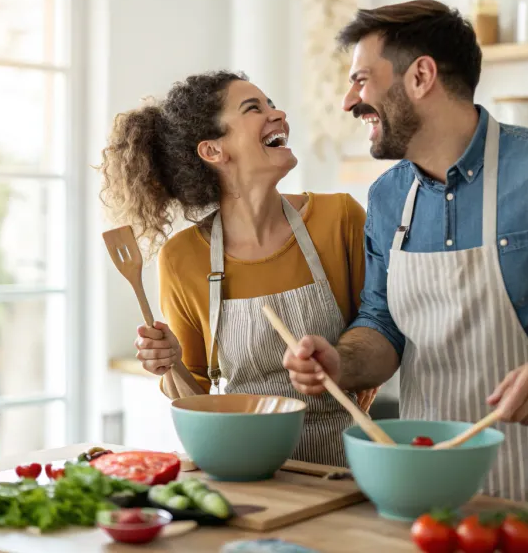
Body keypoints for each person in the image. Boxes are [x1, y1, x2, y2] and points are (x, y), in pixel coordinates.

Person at [283, 0, 528, 513]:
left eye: (362, 79)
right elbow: (382, 323)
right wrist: (344, 362)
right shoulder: (387, 198)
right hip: (432, 488)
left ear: (421, 75)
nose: (348, 101)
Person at [98, 71, 377, 467]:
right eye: (254, 108)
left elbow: (377, 325)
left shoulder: (340, 218)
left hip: (344, 464)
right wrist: (170, 361)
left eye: (272, 103)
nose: (278, 114)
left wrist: (363, 369)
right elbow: (195, 398)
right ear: (213, 151)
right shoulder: (183, 258)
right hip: (247, 466)